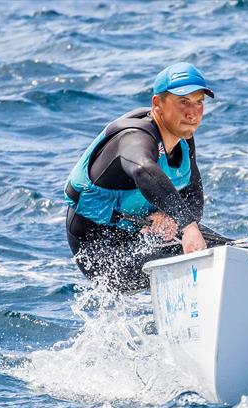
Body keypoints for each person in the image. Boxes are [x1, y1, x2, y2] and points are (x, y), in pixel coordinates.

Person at [64, 62, 213, 291]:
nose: (192, 112)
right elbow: (144, 170)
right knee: (205, 260)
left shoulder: (183, 140)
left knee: (229, 252)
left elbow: (194, 200)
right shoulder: (134, 137)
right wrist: (188, 226)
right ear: (157, 104)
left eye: (199, 102)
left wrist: (170, 217)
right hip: (100, 250)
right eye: (183, 102)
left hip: (139, 236)